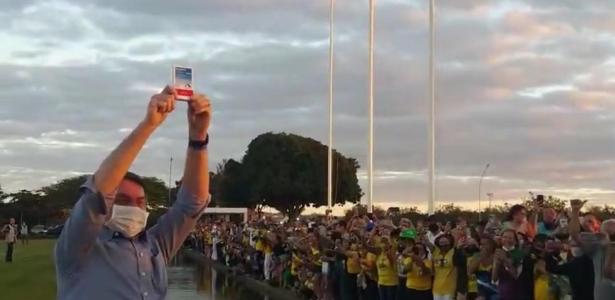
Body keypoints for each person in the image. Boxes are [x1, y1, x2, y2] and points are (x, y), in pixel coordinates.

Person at [54, 86, 212, 300]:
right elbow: (98, 192)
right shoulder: (78, 247)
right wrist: (149, 124)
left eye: (140, 202)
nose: (134, 208)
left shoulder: (155, 245)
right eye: (123, 200)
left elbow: (193, 203)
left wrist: (198, 137)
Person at [569, 199, 615, 300]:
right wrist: (575, 212)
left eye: (613, 236)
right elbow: (575, 235)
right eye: (608, 234)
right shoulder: (597, 246)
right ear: (600, 234)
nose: (612, 240)